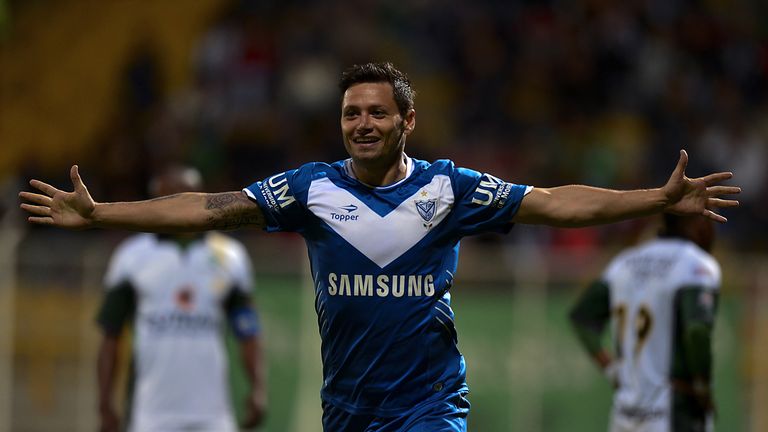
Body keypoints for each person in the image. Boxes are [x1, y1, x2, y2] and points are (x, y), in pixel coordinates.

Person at [19, 62, 739, 432]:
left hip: (429, 405)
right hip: (349, 408)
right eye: (350, 113)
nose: (361, 124)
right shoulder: (309, 190)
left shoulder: (450, 191)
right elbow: (206, 207)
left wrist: (656, 197)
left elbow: (554, 203)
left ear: (408, 121)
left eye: (376, 112)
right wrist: (104, 213)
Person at [94, 165, 267, 432]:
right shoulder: (130, 257)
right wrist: (105, 404)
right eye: (166, 197)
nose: (176, 206)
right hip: (150, 414)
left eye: (184, 196)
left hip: (214, 415)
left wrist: (258, 388)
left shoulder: (231, 256)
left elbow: (248, 333)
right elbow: (111, 337)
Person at [569, 213, 720, 431]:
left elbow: (581, 318)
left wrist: (611, 369)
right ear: (697, 224)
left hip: (625, 413)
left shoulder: (624, 262)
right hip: (672, 410)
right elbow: (696, 330)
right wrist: (702, 386)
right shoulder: (696, 264)